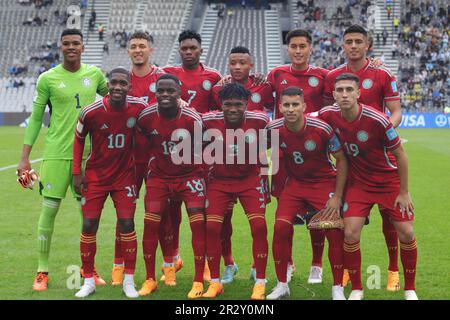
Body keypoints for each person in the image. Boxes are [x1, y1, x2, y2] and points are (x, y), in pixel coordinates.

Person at [17, 29, 108, 291]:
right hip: (56, 154)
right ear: (60, 47)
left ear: (83, 46)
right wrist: (24, 157)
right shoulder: (47, 78)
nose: (71, 47)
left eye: (75, 43)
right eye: (66, 43)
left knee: (87, 216)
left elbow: (116, 98)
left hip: (88, 157)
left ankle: (89, 269)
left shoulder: (95, 75)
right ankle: (42, 271)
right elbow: (36, 118)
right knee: (49, 211)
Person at [319, 73, 418, 300]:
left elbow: (401, 156)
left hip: (388, 181)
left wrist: (404, 192)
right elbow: (302, 118)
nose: (345, 94)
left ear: (358, 93)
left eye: (349, 90)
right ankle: (356, 288)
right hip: (359, 183)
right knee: (351, 233)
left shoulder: (378, 120)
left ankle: (410, 288)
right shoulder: (328, 114)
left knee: (407, 231)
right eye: (340, 90)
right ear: (334, 95)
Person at [323, 24, 403, 291]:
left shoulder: (382, 73)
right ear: (343, 45)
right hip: (347, 159)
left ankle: (393, 269)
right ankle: (348, 271)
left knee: (389, 218)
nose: (354, 46)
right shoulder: (333, 76)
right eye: (349, 41)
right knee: (346, 219)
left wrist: (382, 133)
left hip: (378, 155)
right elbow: (325, 113)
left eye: (359, 41)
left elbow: (395, 111)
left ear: (367, 44)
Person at [265, 86, 348, 300]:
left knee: (333, 230)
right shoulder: (273, 128)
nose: (290, 109)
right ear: (280, 107)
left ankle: (337, 287)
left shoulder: (321, 128)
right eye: (286, 105)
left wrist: (337, 197)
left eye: (295, 105)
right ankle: (282, 284)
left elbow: (342, 159)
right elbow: (256, 152)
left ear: (304, 106)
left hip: (323, 183)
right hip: (295, 185)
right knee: (280, 227)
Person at [73, 68, 147, 298]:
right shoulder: (91, 112)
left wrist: (182, 103)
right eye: (113, 82)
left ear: (129, 86)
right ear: (107, 84)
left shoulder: (138, 108)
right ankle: (88, 281)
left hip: (124, 177)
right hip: (95, 178)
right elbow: (78, 138)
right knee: (89, 225)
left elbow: (158, 116)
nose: (117, 87)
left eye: (122, 83)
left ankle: (128, 281)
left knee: (127, 224)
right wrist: (77, 171)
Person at [267, 29, 330, 285]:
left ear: (310, 48)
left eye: (302, 46)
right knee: (285, 213)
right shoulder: (276, 74)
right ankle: (289, 263)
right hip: (283, 152)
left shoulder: (323, 76)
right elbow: (253, 86)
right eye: (293, 46)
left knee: (318, 214)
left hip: (315, 152)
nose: (298, 51)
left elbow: (332, 105)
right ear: (287, 48)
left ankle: (317, 264)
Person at [136, 74, 206, 298]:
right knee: (150, 224)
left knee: (198, 225)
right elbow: (142, 144)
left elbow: (206, 148)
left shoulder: (192, 118)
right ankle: (150, 279)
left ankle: (197, 281)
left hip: (189, 177)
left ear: (179, 93)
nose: (165, 95)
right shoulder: (146, 116)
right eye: (161, 91)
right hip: (159, 177)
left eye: (171, 91)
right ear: (155, 92)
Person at [209, 46, 274, 284]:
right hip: (222, 165)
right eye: (233, 63)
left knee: (258, 221)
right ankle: (229, 264)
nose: (237, 67)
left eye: (242, 63)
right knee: (222, 221)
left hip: (254, 165)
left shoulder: (265, 86)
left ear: (251, 65)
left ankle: (258, 266)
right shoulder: (218, 89)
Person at [162, 30, 222, 280]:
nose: (188, 52)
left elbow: (221, 111)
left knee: (201, 212)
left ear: (200, 50)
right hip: (172, 152)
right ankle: (174, 258)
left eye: (192, 48)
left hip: (202, 153)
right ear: (179, 50)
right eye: (184, 48)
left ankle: (206, 263)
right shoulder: (168, 74)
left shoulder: (214, 77)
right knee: (170, 211)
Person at [202, 83, 269, 299]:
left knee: (259, 227)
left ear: (246, 105)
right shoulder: (208, 120)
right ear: (220, 105)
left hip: (249, 180)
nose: (233, 109)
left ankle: (259, 281)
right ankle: (214, 282)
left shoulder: (260, 120)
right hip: (219, 182)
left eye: (238, 105)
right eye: (228, 104)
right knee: (212, 227)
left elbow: (275, 141)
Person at [110, 31, 166, 286]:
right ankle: (118, 265)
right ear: (129, 51)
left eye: (142, 46)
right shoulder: (120, 80)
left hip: (157, 159)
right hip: (128, 160)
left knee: (162, 214)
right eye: (133, 46)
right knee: (126, 215)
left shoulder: (163, 78)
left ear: (150, 49)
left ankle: (169, 264)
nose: (138, 50)